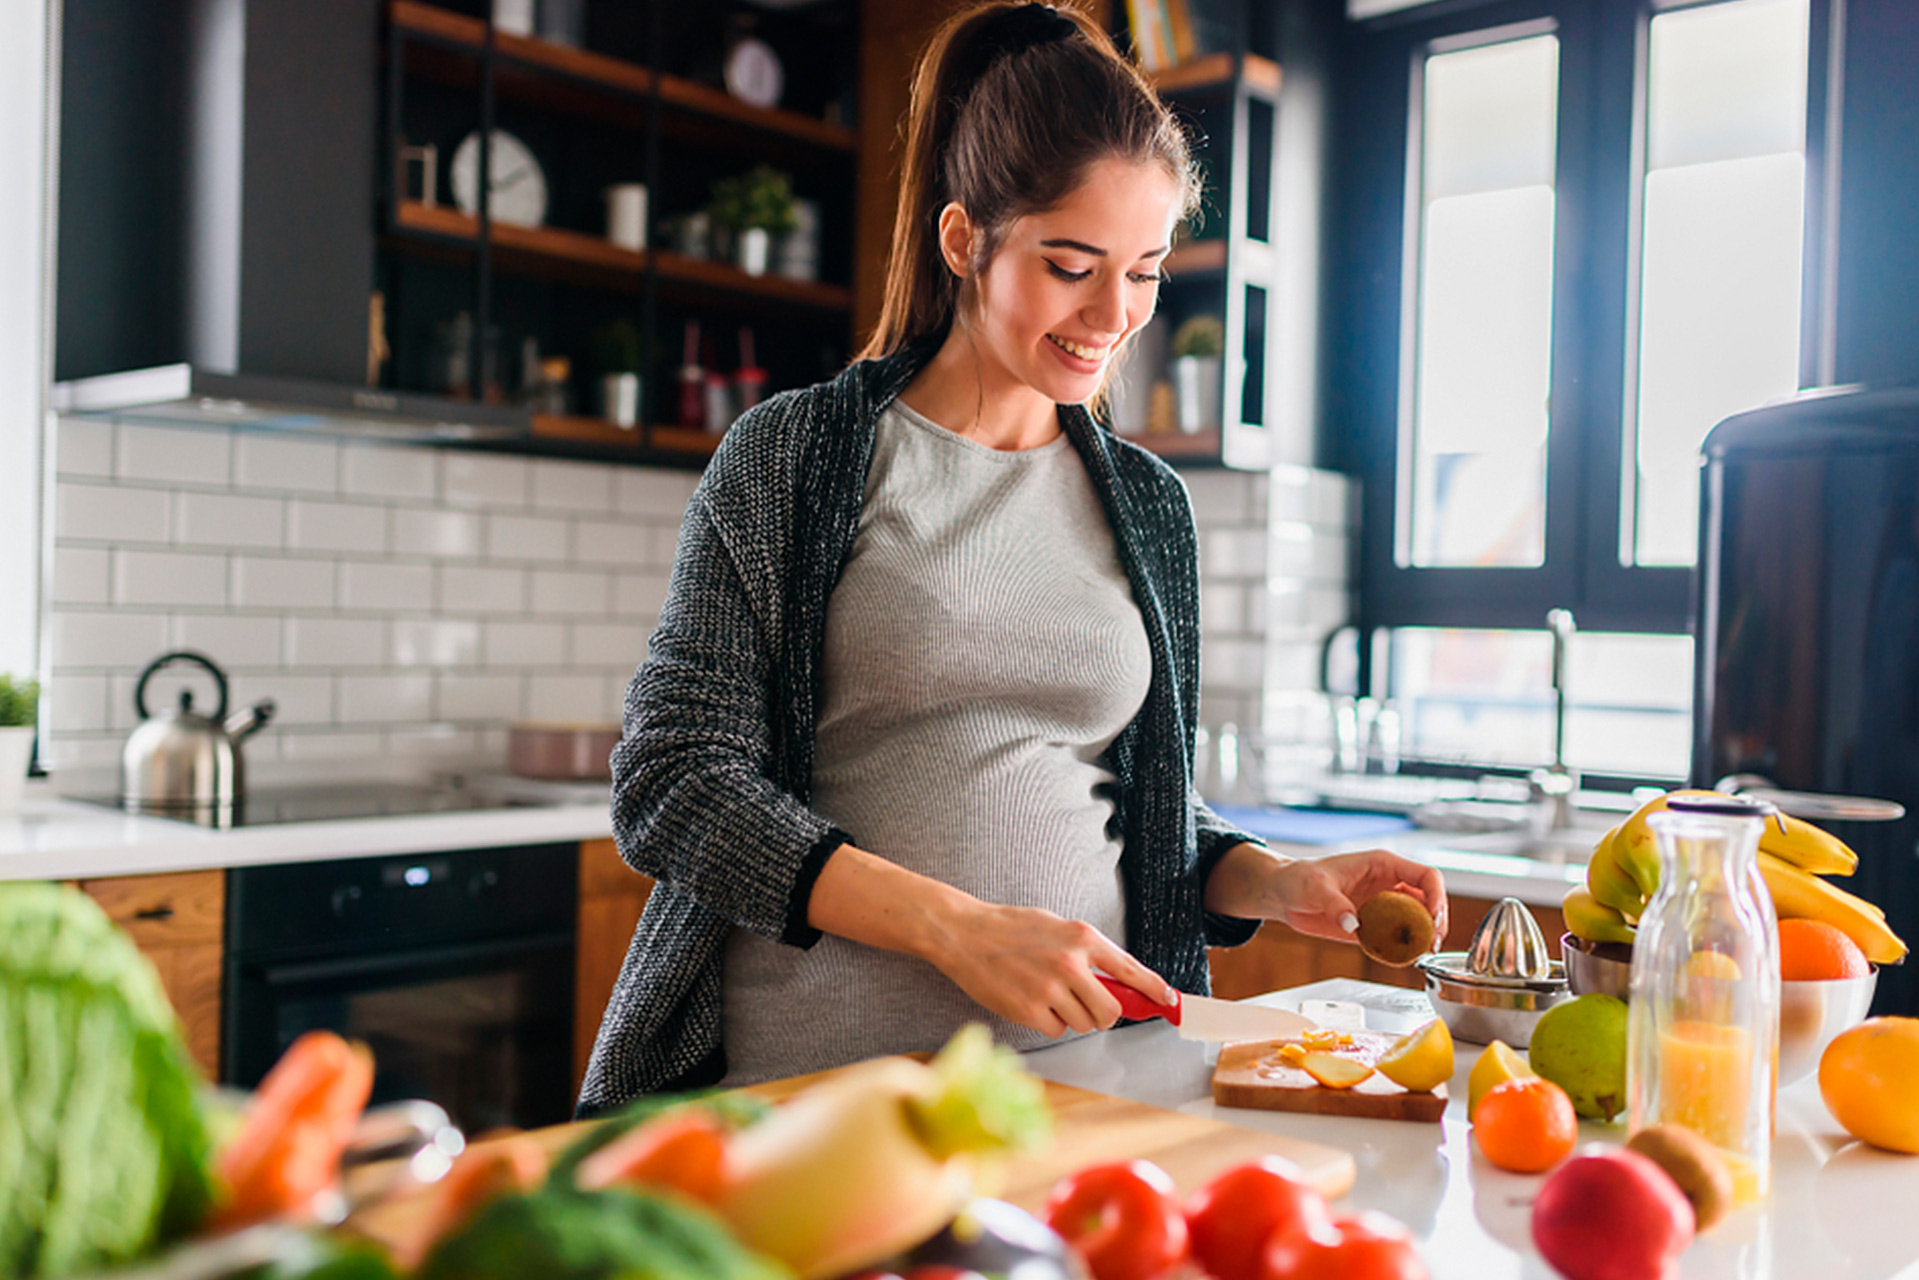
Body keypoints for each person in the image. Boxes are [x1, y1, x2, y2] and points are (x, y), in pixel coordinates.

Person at [577, 0, 1446, 1113]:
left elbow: (1131, 801)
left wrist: (1271, 879)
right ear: (962, 241)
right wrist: (957, 930)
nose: (1113, 314)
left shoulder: (1145, 504)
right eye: (1072, 264)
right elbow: (673, 781)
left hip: (1083, 1090)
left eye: (1142, 271)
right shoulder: (798, 455)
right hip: (811, 1096)